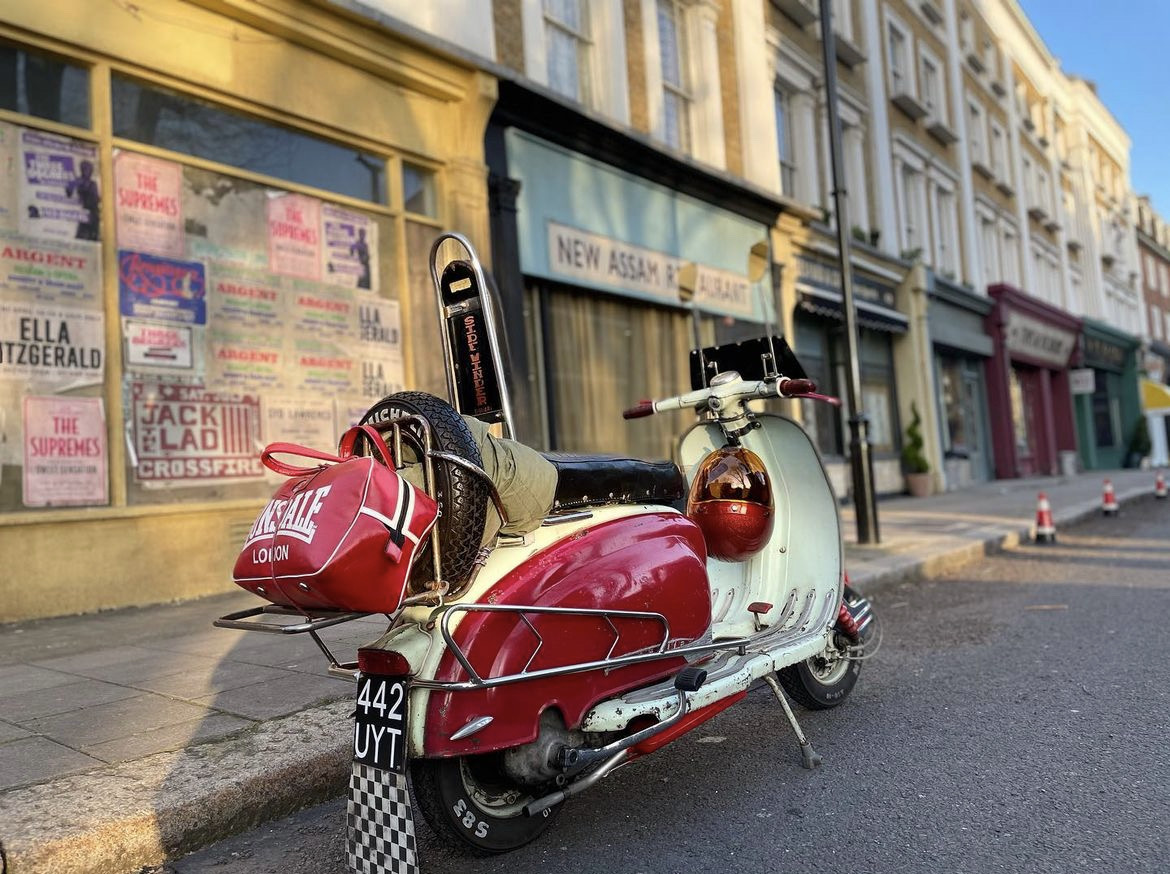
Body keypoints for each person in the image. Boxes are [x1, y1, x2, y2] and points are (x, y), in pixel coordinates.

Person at [65, 159, 100, 241]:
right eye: (85, 169)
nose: (88, 172)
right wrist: (71, 185)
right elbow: (68, 193)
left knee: (92, 236)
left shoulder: (92, 183)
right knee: (82, 236)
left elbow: (95, 199)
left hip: (93, 212)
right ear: (82, 170)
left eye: (89, 170)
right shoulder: (78, 181)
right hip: (85, 212)